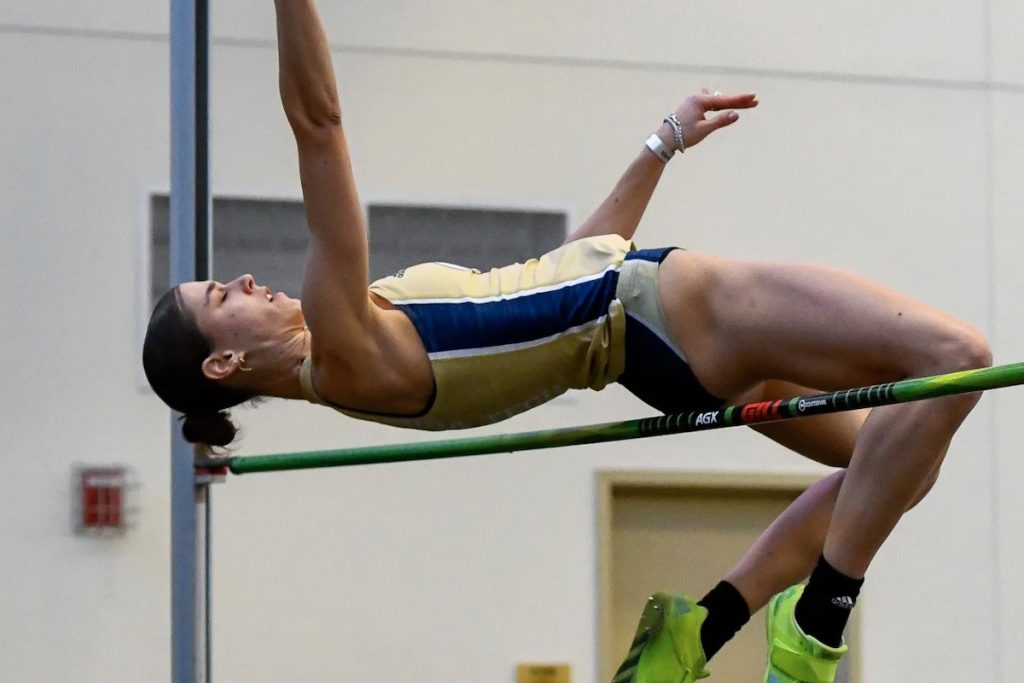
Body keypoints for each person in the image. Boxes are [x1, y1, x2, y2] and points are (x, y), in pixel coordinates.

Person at [143, 2, 991, 681]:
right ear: (224, 363)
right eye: (223, 294)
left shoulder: (360, 349)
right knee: (954, 359)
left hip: (651, 356)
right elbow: (318, 122)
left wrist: (660, 144)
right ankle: (815, 623)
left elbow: (564, 273)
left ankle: (702, 626)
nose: (246, 282)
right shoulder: (342, 344)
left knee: (881, 470)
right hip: (677, 309)